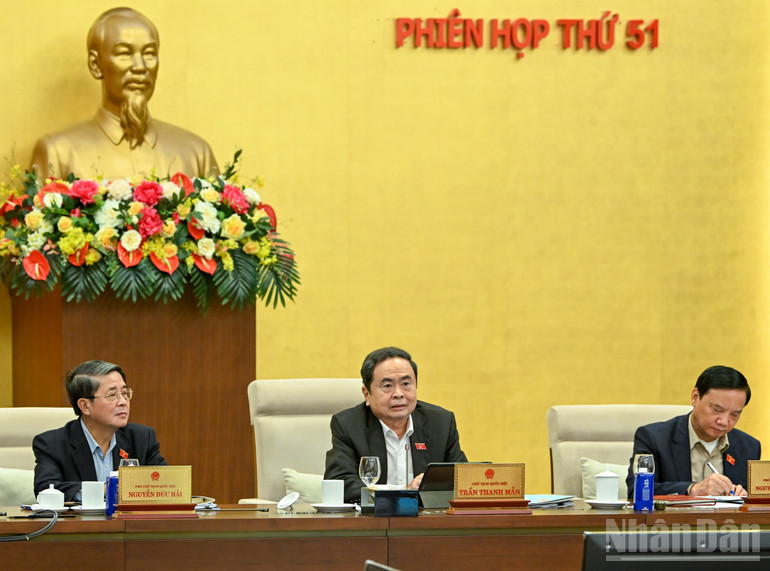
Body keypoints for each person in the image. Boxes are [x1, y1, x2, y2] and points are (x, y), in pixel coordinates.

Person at [30, 7, 217, 180]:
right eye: (124, 53)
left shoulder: (197, 154)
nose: (140, 67)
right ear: (96, 65)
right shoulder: (58, 153)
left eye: (149, 53)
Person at [324, 347, 467, 503]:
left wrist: (430, 485)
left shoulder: (441, 422)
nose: (398, 393)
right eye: (387, 386)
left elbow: (463, 478)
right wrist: (402, 492)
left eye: (406, 383)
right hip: (373, 521)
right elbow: (340, 483)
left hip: (426, 520)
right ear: (367, 394)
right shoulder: (349, 425)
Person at [33, 360, 167, 502]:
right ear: (85, 406)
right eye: (112, 395)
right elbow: (46, 489)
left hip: (129, 523)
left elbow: (166, 483)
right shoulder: (52, 444)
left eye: (125, 393)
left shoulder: (141, 438)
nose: (123, 401)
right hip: (80, 523)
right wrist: (108, 489)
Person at [626, 365, 761, 498]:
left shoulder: (749, 447)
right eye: (717, 410)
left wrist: (746, 496)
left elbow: (756, 503)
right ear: (695, 397)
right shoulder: (653, 438)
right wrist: (692, 489)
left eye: (734, 414)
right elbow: (637, 491)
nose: (724, 422)